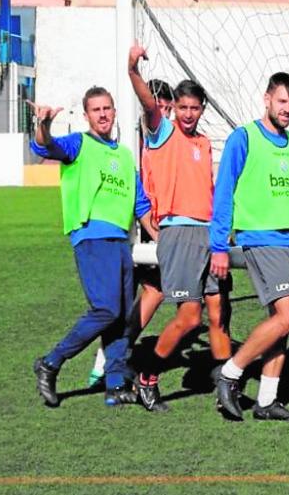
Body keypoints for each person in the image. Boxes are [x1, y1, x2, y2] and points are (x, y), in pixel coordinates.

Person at [208, 72, 289, 422]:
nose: (288, 109)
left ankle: (267, 401)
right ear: (267, 99)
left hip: (288, 242)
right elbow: (223, 192)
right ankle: (231, 373)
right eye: (282, 101)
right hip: (259, 238)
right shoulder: (244, 138)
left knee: (284, 324)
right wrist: (218, 245)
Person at [29, 88, 157, 408]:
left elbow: (140, 204)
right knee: (106, 309)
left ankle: (115, 386)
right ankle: (51, 362)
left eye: (107, 108)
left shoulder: (125, 155)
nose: (102, 114)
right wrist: (42, 124)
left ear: (115, 112)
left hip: (120, 240)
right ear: (86, 116)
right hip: (91, 236)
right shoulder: (79, 143)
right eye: (95, 109)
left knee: (122, 315)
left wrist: (160, 240)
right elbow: (45, 146)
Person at [124, 45, 231, 413]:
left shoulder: (203, 142)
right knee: (190, 317)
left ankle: (225, 382)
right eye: (182, 107)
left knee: (219, 312)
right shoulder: (163, 132)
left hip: (208, 236)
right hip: (179, 234)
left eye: (193, 108)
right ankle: (147, 376)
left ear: (202, 110)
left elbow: (211, 192)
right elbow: (149, 104)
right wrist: (132, 69)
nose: (187, 114)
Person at [86, 78, 174, 390]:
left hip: (152, 224)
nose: (162, 111)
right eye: (157, 106)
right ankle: (108, 360)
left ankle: (108, 360)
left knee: (148, 293)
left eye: (166, 107)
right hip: (133, 227)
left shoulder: (166, 136)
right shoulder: (137, 139)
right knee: (131, 298)